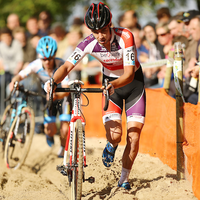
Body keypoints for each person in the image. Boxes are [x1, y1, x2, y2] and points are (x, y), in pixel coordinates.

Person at [45, 2, 146, 190]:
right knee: (115, 136)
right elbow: (67, 66)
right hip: (111, 85)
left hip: (133, 85)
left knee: (133, 137)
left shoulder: (126, 36)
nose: (100, 36)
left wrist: (113, 85)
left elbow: (129, 74)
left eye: (103, 30)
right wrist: (53, 81)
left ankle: (124, 178)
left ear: (110, 25)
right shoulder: (88, 43)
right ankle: (112, 144)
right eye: (94, 31)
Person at [9, 36, 71, 157]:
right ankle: (49, 135)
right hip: (47, 97)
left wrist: (56, 95)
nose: (47, 62)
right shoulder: (36, 64)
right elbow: (20, 75)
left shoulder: (61, 64)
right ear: (39, 57)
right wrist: (14, 82)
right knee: (51, 130)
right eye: (44, 59)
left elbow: (67, 89)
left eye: (50, 59)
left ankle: (63, 149)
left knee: (64, 129)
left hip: (63, 97)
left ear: (54, 56)